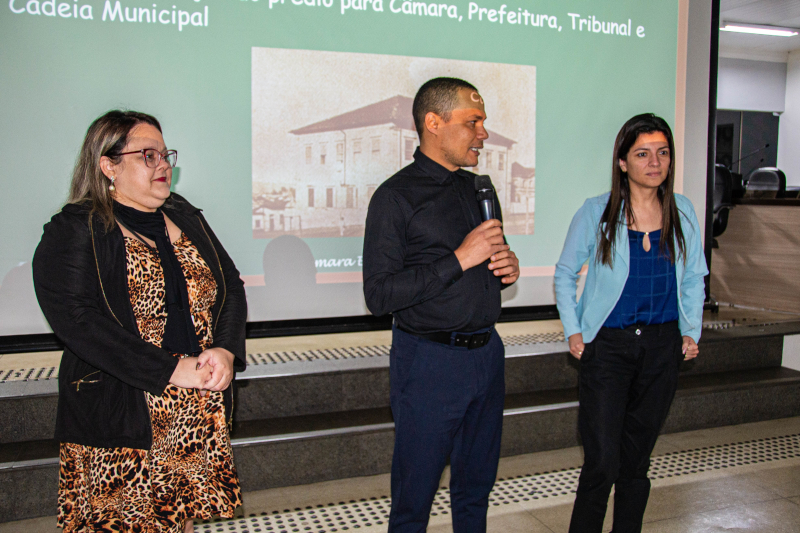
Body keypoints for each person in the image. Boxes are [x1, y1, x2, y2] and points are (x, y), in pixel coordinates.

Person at [32, 110, 247, 532]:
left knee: (179, 518)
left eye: (165, 154)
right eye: (147, 155)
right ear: (108, 165)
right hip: (122, 410)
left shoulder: (184, 214)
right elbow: (79, 322)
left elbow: (230, 286)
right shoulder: (76, 228)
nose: (163, 164)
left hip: (192, 405)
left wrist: (223, 348)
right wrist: (171, 369)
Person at [363, 77, 520, 532]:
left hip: (487, 356)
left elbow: (485, 260)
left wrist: (504, 264)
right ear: (433, 123)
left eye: (484, 123)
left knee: (475, 492)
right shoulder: (395, 197)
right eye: (473, 122)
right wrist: (459, 259)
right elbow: (379, 295)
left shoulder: (479, 191)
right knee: (414, 499)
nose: (483, 134)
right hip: (429, 363)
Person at [554, 113, 708, 533]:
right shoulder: (596, 211)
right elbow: (565, 273)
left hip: (662, 348)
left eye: (662, 153)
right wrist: (574, 329)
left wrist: (690, 329)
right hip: (608, 349)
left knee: (637, 462)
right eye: (642, 153)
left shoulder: (685, 212)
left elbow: (694, 276)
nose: (654, 162)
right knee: (602, 461)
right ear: (623, 162)